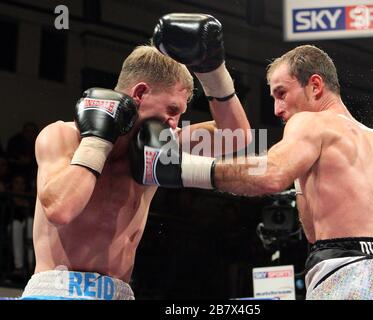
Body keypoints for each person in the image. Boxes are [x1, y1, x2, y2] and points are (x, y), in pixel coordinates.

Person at [134, 45, 373, 300]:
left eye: (282, 93)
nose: (276, 109)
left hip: (350, 273)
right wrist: (302, 176)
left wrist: (181, 170)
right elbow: (313, 230)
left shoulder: (311, 123)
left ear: (315, 85)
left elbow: (270, 175)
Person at [21, 13, 251, 300]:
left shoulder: (161, 146)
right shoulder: (63, 136)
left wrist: (213, 71)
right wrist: (97, 141)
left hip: (120, 292)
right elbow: (60, 210)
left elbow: (237, 136)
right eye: (172, 110)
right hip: (58, 290)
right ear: (140, 92)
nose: (174, 123)